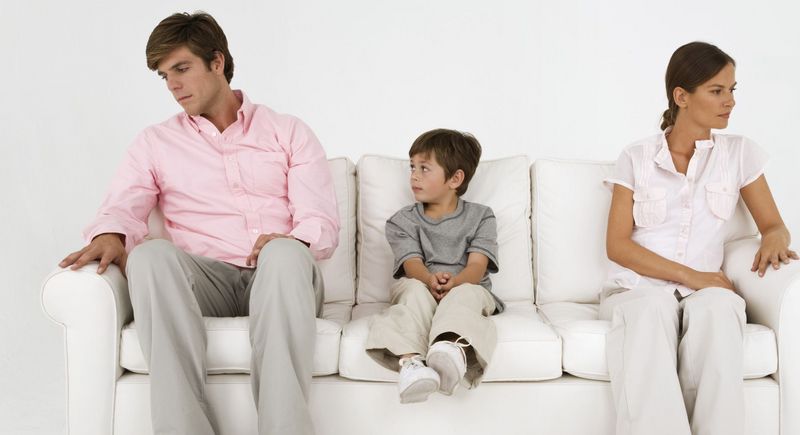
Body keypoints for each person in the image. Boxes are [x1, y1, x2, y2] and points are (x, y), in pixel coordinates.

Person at [58, 12, 339, 435]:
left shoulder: (288, 132)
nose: (173, 85)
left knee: (284, 254)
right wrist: (110, 234)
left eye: (182, 68)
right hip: (206, 282)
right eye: (164, 76)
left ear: (217, 62)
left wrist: (288, 243)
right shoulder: (155, 143)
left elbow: (320, 221)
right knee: (149, 256)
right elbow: (122, 203)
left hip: (282, 279)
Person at [600, 41, 799, 435]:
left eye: (732, 90)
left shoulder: (739, 154)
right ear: (682, 96)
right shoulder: (636, 157)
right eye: (717, 90)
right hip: (638, 289)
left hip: (707, 292)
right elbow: (617, 245)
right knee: (652, 308)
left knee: (721, 310)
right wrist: (692, 276)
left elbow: (773, 225)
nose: (730, 101)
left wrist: (775, 238)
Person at [365, 129, 501, 404]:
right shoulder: (401, 221)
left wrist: (456, 283)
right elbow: (411, 263)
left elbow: (477, 266)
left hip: (467, 284)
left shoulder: (481, 216)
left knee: (466, 295)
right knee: (411, 291)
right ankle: (412, 364)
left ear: (455, 179)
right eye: (412, 167)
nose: (414, 176)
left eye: (424, 168)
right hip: (421, 284)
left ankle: (450, 350)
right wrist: (429, 280)